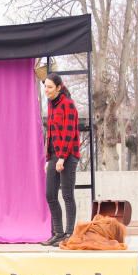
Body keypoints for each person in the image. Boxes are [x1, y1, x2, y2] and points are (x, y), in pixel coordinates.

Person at [42, 74, 80, 246]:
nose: (46, 90)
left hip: (69, 155)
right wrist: (49, 158)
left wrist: (63, 158)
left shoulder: (68, 105)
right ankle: (58, 233)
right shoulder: (51, 105)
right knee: (50, 194)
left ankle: (69, 234)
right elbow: (50, 134)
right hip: (56, 155)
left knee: (67, 194)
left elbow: (69, 133)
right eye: (45, 87)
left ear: (59, 87)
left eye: (50, 87)